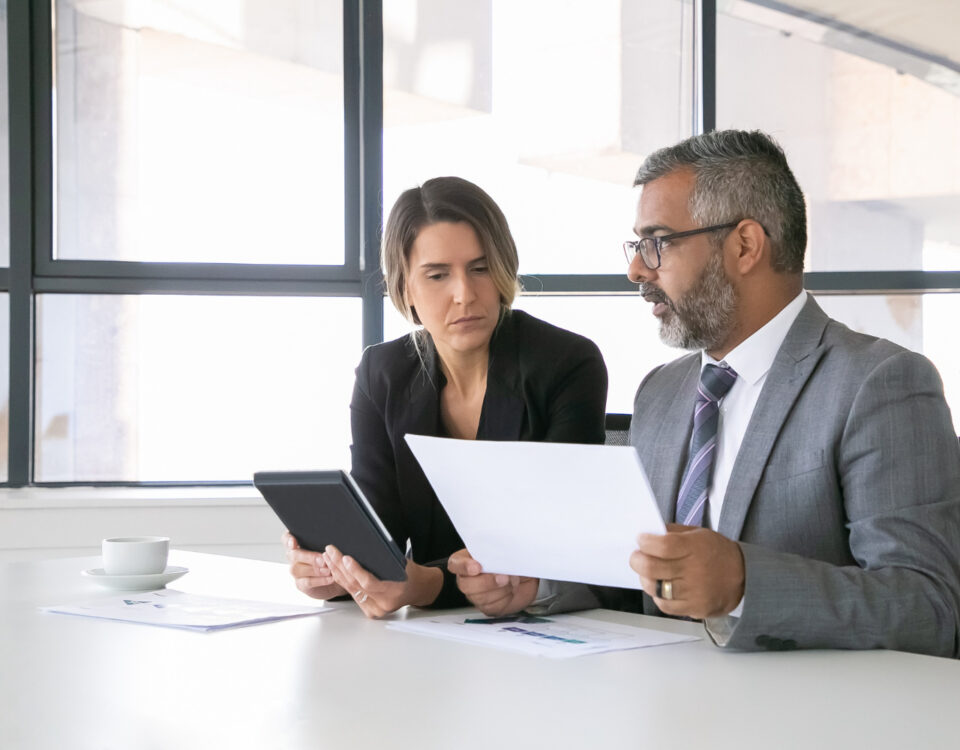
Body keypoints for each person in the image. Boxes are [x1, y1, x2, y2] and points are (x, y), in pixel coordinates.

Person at [450, 130, 960, 657]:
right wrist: (538, 584)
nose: (636, 270)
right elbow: (641, 577)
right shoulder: (661, 392)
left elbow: (929, 608)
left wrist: (744, 583)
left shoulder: (879, 385)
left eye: (658, 242)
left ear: (744, 246)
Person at [286, 176, 608, 617]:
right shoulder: (382, 374)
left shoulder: (568, 363)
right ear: (405, 290)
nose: (465, 294)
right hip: (430, 641)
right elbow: (379, 542)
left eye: (479, 269)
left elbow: (551, 552)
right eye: (437, 275)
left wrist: (425, 584)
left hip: (547, 631)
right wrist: (333, 574)